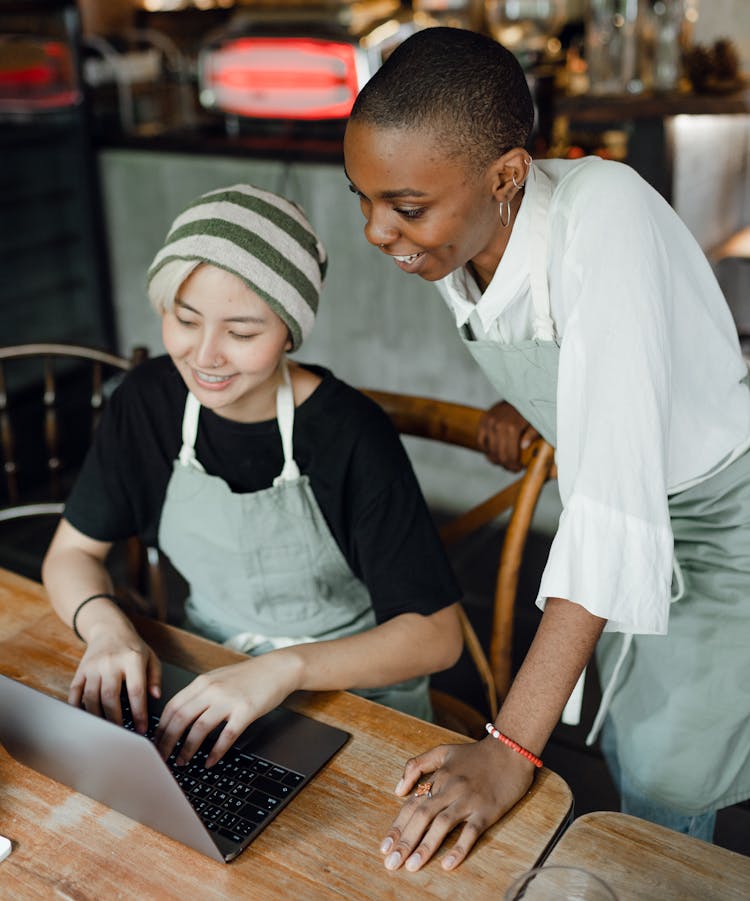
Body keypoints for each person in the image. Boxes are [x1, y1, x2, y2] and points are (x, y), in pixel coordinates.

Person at [343, 26, 750, 872]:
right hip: (633, 502)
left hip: (724, 518)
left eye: (406, 206)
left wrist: (511, 751)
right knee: (646, 736)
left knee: (670, 772)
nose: (380, 231)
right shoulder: (458, 235)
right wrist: (531, 398)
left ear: (507, 175)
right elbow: (576, 345)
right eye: (364, 199)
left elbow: (607, 509)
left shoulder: (607, 214)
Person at [42, 183, 463, 769]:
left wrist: (285, 668)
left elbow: (436, 637)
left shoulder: (348, 432)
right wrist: (108, 631)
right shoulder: (149, 401)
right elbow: (71, 555)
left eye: (241, 333)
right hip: (209, 673)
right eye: (185, 320)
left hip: (353, 694)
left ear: (290, 332)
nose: (205, 356)